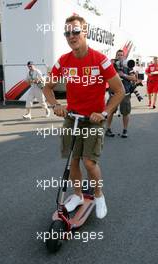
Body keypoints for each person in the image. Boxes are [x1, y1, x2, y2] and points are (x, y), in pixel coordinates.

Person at [43, 15, 124, 219]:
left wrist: (104, 112)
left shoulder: (101, 60)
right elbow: (47, 87)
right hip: (72, 117)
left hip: (94, 119)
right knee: (73, 160)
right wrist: (55, 105)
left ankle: (98, 194)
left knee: (89, 163)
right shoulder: (63, 61)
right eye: (67, 32)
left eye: (76, 31)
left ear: (85, 32)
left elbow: (120, 90)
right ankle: (78, 195)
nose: (71, 36)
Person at [105, 50, 137, 138]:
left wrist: (123, 75)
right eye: (118, 55)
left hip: (125, 93)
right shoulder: (112, 65)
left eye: (121, 55)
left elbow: (134, 78)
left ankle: (125, 130)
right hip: (113, 93)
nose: (120, 56)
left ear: (124, 56)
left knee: (125, 112)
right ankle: (108, 129)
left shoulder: (128, 66)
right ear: (116, 56)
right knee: (110, 111)